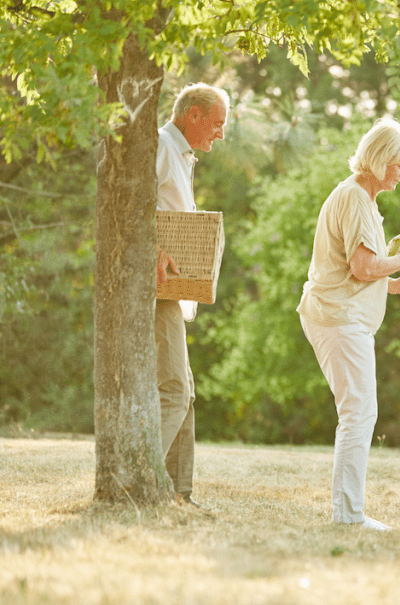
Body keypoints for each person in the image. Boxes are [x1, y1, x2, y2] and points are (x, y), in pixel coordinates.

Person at [297, 119, 400, 531]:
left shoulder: (363, 199)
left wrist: (397, 286)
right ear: (379, 159)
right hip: (339, 319)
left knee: (359, 412)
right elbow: (363, 266)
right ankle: (348, 516)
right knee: (359, 413)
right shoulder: (354, 197)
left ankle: (349, 512)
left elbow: (356, 272)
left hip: (341, 313)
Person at [154, 83, 229, 509]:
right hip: (159, 290)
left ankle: (179, 494)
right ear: (193, 115)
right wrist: (155, 249)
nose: (220, 134)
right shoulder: (162, 145)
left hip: (175, 289)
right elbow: (132, 204)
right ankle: (142, 482)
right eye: (217, 124)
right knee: (175, 391)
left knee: (186, 392)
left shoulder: (182, 155)